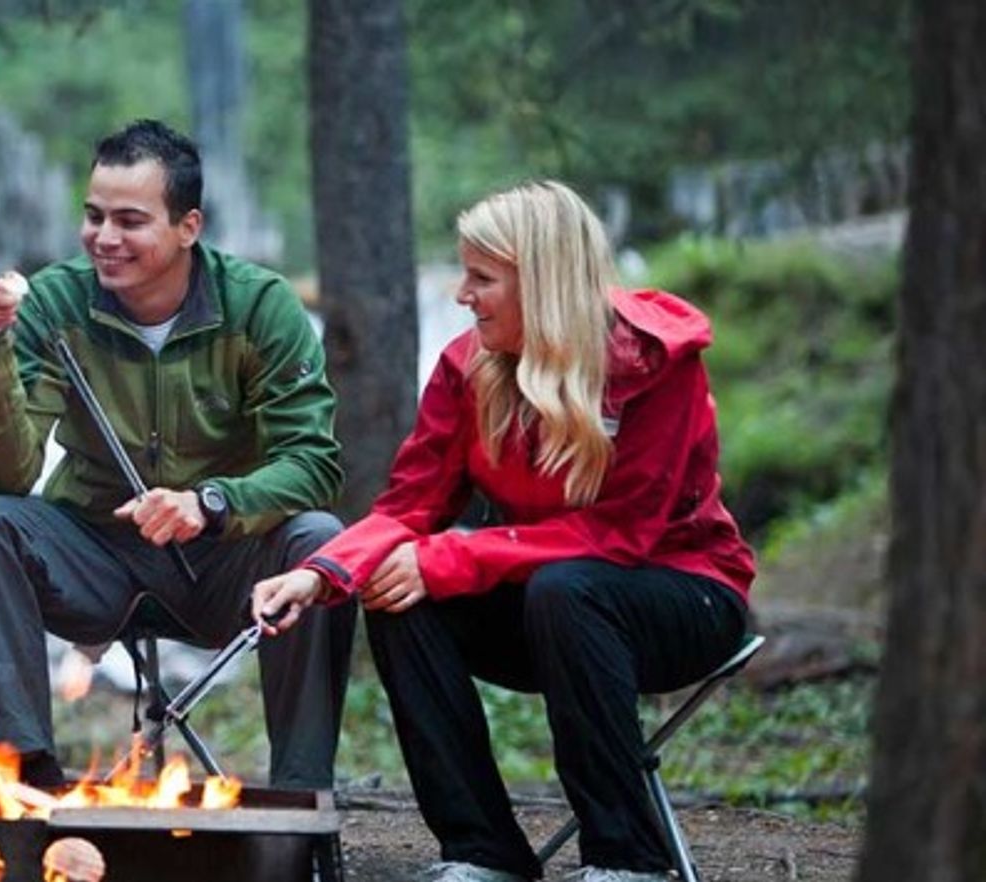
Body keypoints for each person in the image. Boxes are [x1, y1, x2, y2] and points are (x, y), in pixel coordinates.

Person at [251, 180, 755, 882]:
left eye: (483, 278)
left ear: (543, 284)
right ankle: (481, 850)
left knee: (566, 588)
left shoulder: (652, 364)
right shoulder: (469, 367)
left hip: (685, 597)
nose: (463, 294)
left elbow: (623, 535)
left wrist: (455, 556)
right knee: (401, 591)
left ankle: (627, 860)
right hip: (550, 602)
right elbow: (409, 504)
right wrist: (326, 573)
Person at [0, 119, 357, 793]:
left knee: (320, 542)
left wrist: (212, 504)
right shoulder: (54, 302)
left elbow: (313, 462)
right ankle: (24, 780)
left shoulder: (259, 306)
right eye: (94, 216)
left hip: (227, 565)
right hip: (94, 556)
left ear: (188, 226)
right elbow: (6, 476)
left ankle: (302, 798)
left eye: (130, 221)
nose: (105, 238)